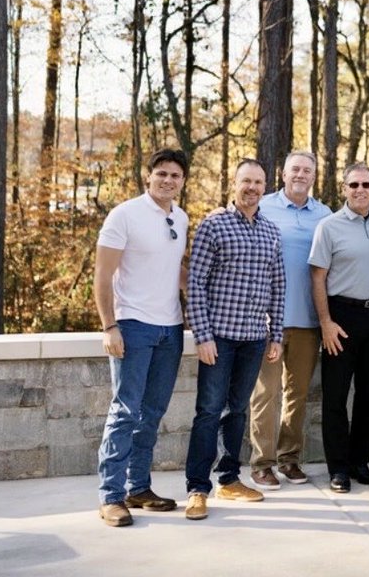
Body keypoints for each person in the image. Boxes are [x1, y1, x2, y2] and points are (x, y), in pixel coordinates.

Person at [184, 159, 284, 521]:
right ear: (234, 183)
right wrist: (203, 335)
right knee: (208, 412)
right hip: (219, 339)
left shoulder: (271, 232)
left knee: (237, 411)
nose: (252, 187)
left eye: (258, 182)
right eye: (246, 181)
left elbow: (278, 286)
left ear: (265, 186)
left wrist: (277, 335)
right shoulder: (214, 225)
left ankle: (229, 479)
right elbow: (195, 283)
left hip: (255, 339)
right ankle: (197, 488)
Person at [95, 149, 190, 527]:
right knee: (124, 411)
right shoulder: (124, 215)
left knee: (151, 414)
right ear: (147, 175)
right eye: (161, 173)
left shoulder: (179, 218)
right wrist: (109, 326)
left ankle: (138, 487)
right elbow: (103, 276)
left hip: (171, 328)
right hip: (132, 326)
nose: (168, 180)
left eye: (175, 175)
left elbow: (176, 272)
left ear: (182, 181)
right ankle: (111, 496)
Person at [247, 151, 331, 490]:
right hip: (267, 320)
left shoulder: (324, 214)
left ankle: (289, 459)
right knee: (266, 395)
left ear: (313, 177)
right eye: (295, 169)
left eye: (307, 171)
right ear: (283, 173)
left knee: (297, 395)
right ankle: (261, 463)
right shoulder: (262, 206)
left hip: (308, 320)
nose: (300, 175)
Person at [309, 162, 369, 494]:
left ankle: (360, 462)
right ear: (344, 188)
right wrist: (326, 323)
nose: (360, 190)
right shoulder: (329, 226)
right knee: (335, 397)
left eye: (366, 184)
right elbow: (317, 278)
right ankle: (339, 469)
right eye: (354, 184)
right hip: (340, 316)